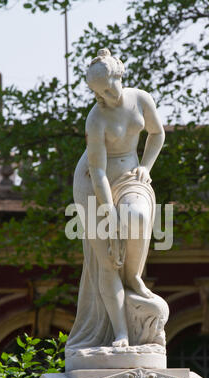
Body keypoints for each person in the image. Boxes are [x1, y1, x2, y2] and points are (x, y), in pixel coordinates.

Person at [66, 48, 165, 352]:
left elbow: (157, 133)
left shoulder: (141, 99)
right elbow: (96, 170)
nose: (106, 97)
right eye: (99, 93)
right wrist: (108, 216)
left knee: (136, 219)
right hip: (93, 184)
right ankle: (121, 331)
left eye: (109, 88)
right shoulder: (95, 119)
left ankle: (134, 278)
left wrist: (145, 169)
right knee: (108, 259)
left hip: (130, 176)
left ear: (118, 75)